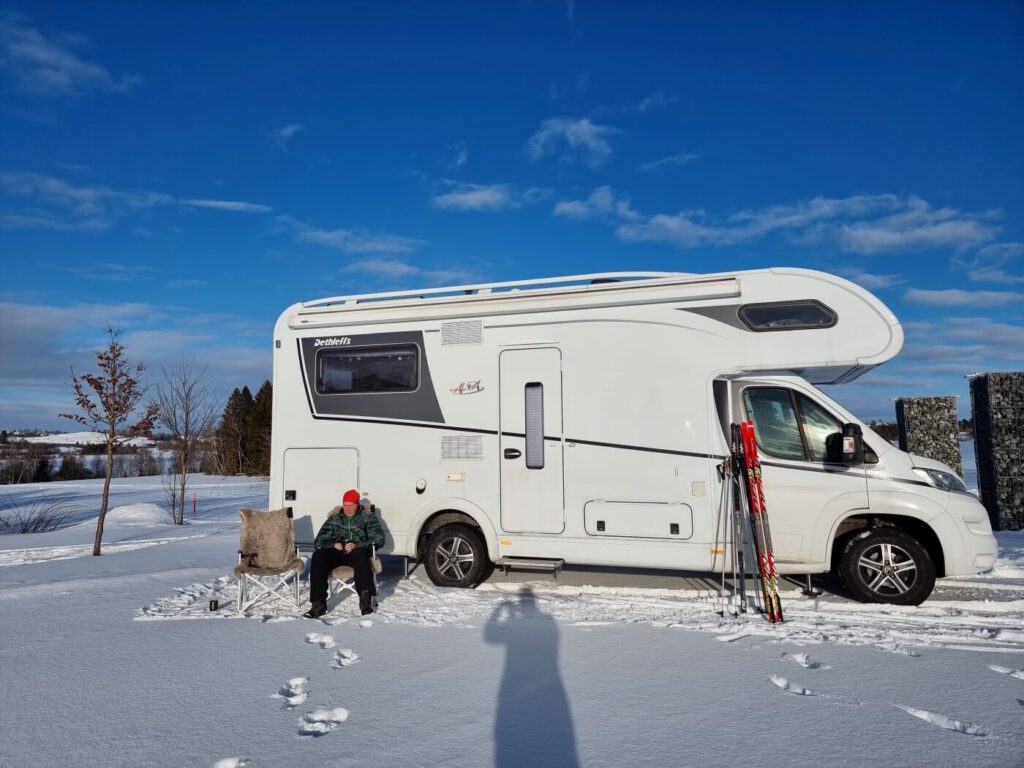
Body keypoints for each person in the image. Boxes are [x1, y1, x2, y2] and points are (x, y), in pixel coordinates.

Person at [304, 489, 385, 619]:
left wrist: (357, 544)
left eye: (351, 505)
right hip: (337, 552)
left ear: (357, 504)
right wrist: (333, 543)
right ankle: (318, 604)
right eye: (345, 505)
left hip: (356, 552)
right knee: (319, 555)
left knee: (360, 554)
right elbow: (319, 540)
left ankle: (365, 602)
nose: (347, 508)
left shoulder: (368, 517)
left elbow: (379, 540)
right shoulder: (334, 519)